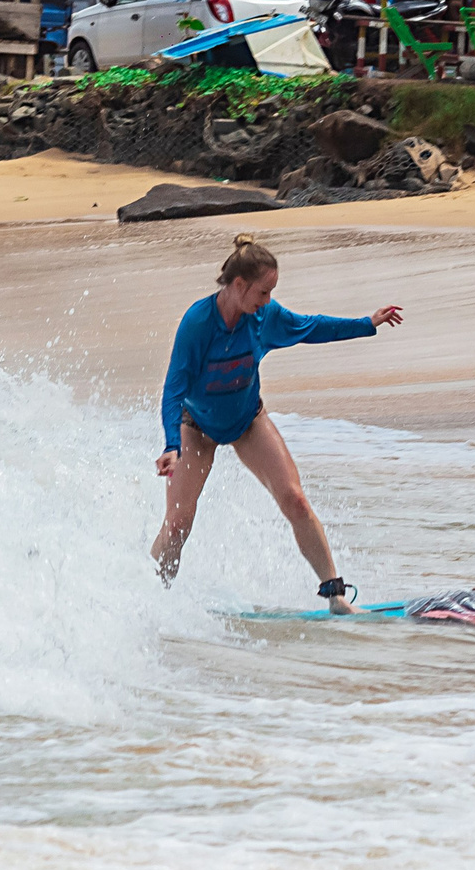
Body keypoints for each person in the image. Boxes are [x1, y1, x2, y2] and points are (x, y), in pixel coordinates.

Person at [154, 233, 404, 611]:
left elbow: (311, 327)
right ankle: (150, 596)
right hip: (196, 428)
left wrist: (365, 323)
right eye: (263, 292)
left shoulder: (263, 318)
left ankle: (335, 596)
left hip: (248, 420)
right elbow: (173, 389)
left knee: (295, 500)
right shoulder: (198, 323)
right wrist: (172, 444)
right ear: (239, 286)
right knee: (177, 524)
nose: (268, 301)